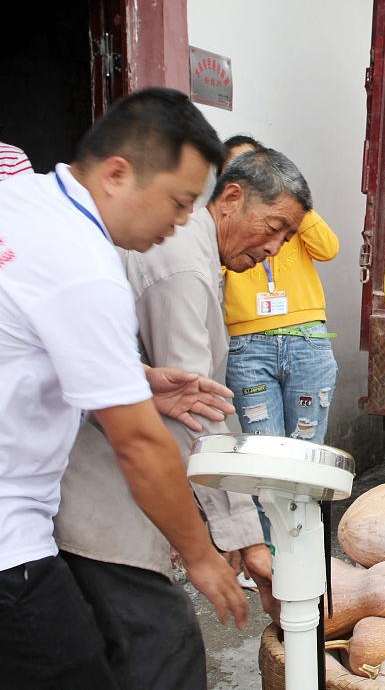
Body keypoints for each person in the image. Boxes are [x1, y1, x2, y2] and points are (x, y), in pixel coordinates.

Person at [0, 87, 250, 689]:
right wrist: (201, 556)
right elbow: (139, 445)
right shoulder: (87, 266)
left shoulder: (25, 202)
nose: (184, 220)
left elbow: (26, 339)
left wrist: (136, 380)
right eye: (180, 200)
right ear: (118, 173)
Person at [54, 145, 309, 688]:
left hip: (125, 490)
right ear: (232, 198)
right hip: (105, 499)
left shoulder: (198, 257)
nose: (274, 248)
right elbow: (198, 414)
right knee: (165, 652)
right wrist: (244, 537)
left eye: (287, 238)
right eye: (275, 227)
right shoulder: (183, 265)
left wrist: (237, 533)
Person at [219, 136, 339, 540]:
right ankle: (273, 553)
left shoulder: (291, 221)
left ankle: (307, 547)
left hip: (306, 343)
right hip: (249, 349)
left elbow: (329, 249)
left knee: (307, 449)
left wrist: (289, 206)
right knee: (264, 457)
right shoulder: (227, 229)